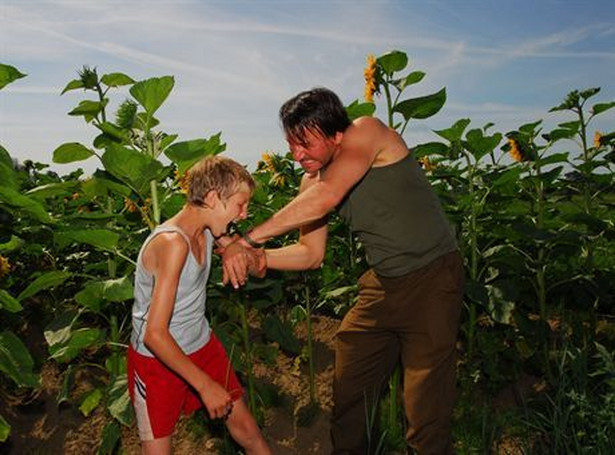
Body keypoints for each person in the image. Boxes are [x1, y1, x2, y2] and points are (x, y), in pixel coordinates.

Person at [223, 87, 464, 454]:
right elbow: (310, 254)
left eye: (305, 143)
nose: (297, 155)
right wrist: (262, 259)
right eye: (291, 145)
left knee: (425, 408)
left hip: (432, 277)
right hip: (381, 286)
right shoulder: (310, 181)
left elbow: (328, 197)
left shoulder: (367, 132)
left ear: (336, 134)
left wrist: (249, 240)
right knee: (351, 390)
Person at [127, 156, 271, 455]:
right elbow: (155, 334)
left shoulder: (208, 230)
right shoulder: (172, 244)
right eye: (240, 205)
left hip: (201, 345)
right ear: (213, 198)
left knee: (248, 430)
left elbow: (257, 265)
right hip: (156, 358)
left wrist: (232, 246)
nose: (243, 215)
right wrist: (205, 386)